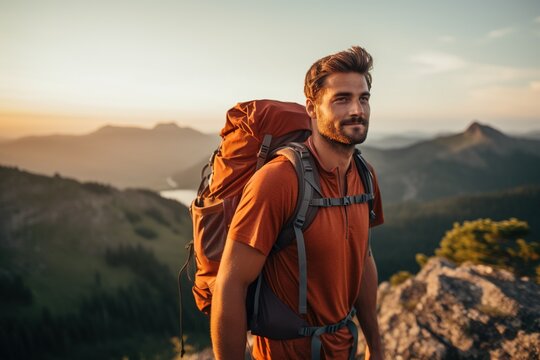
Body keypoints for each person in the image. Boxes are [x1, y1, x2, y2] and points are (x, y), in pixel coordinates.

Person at [211, 46, 385, 360]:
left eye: (364, 98)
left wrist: (377, 346)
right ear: (312, 108)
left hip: (344, 348)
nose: (357, 110)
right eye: (341, 99)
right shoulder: (280, 180)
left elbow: (362, 258)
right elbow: (231, 283)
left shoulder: (365, 176)